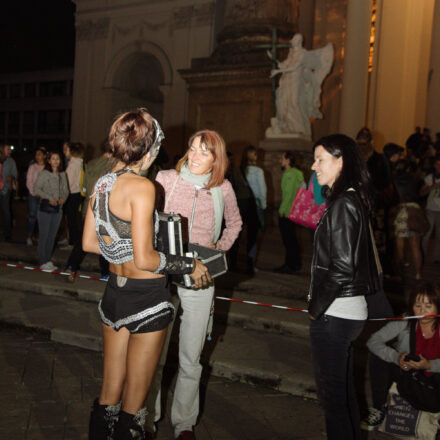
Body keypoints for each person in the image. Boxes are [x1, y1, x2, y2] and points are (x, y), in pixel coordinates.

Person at [82, 108, 211, 440]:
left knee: (109, 392)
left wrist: (124, 251)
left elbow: (89, 243)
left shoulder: (103, 182)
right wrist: (188, 264)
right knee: (135, 405)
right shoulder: (143, 187)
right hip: (147, 299)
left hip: (114, 292)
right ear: (151, 148)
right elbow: (147, 258)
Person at [152, 129, 242, 440]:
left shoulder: (223, 188)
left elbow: (236, 222)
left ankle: (184, 424)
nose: (194, 156)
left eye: (204, 152)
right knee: (154, 350)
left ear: (217, 158)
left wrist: (219, 249)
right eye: (192, 148)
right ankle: (148, 415)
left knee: (191, 354)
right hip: (162, 270)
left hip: (201, 275)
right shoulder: (165, 178)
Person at [308, 134, 379, 440]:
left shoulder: (343, 204)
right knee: (345, 397)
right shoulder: (348, 199)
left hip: (337, 313)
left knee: (334, 402)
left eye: (320, 159)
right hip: (345, 311)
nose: (314, 166)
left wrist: (316, 307)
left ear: (341, 161)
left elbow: (342, 267)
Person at [361, 281, 440, 431]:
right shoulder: (406, 321)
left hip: (435, 378)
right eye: (418, 305)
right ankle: (378, 408)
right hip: (410, 374)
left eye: (428, 306)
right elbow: (374, 341)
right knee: (378, 357)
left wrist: (430, 365)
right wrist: (396, 357)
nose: (422, 311)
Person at [266, 33, 334, 139]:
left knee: (294, 102)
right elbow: (284, 65)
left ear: (299, 41)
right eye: (293, 39)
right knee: (284, 101)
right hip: (286, 80)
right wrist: (274, 59)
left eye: (295, 40)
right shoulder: (291, 53)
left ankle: (299, 127)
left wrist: (278, 71)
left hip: (295, 81)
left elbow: (294, 67)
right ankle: (287, 126)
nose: (293, 41)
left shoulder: (303, 54)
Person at [65, 140, 112, 281]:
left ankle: (71, 267)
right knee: (104, 241)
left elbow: (83, 189)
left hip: (89, 206)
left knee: (83, 239)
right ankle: (105, 273)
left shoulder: (90, 164)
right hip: (104, 207)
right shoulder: (115, 165)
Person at [33, 151, 69, 270]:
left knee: (52, 236)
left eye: (57, 159)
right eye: (53, 159)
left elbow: (66, 190)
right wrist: (49, 199)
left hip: (58, 209)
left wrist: (63, 198)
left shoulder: (62, 174)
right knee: (44, 235)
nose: (55, 161)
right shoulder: (44, 173)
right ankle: (43, 260)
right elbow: (36, 189)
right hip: (45, 209)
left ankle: (48, 260)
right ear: (49, 161)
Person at [391, 159, 424, 279]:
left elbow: (393, 196)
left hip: (402, 211)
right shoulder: (415, 178)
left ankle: (401, 269)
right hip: (414, 210)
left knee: (399, 245)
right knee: (415, 245)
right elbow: (422, 192)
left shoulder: (395, 180)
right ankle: (418, 273)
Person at [274, 150, 304, 274]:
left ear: (288, 160)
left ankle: (290, 265)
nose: (280, 161)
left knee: (288, 239)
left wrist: (282, 210)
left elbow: (288, 194)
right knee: (292, 238)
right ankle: (294, 263)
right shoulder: (298, 173)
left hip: (287, 211)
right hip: (295, 210)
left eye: (282, 158)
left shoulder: (289, 174)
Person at [242, 145, 267, 273]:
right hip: (255, 206)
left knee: (239, 236)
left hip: (242, 206)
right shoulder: (258, 171)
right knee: (253, 236)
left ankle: (234, 262)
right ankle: (250, 264)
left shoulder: (241, 170)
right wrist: (263, 206)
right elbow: (262, 191)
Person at [63, 142, 85, 250]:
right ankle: (71, 240)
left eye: (67, 150)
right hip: (78, 194)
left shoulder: (73, 164)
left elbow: (68, 182)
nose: (65, 152)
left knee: (71, 219)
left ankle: (72, 242)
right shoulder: (80, 162)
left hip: (72, 194)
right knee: (74, 218)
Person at [421, 155, 440, 264]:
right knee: (426, 234)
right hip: (431, 209)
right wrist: (432, 187)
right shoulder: (430, 178)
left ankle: (437, 258)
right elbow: (421, 193)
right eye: (437, 164)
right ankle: (422, 255)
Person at [26, 147, 46, 246]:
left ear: (44, 156)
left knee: (41, 217)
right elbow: (29, 181)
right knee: (32, 215)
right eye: (36, 154)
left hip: (43, 196)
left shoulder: (47, 168)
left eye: (40, 154)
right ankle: (29, 236)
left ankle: (39, 237)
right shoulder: (32, 167)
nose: (37, 156)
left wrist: (43, 194)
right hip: (33, 195)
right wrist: (34, 193)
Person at [0, 144, 17, 241]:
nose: (9, 151)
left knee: (6, 212)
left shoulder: (11, 162)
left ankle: (7, 234)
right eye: (7, 149)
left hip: (6, 190)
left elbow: (15, 175)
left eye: (10, 150)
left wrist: (12, 178)